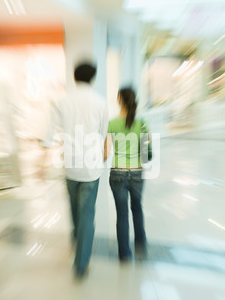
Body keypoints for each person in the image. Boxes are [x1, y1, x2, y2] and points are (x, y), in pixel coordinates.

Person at [42, 62, 108, 278]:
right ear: (93, 78)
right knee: (87, 213)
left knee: (74, 210)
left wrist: (44, 152)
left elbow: (49, 132)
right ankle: (81, 263)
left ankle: (78, 242)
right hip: (91, 167)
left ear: (74, 77)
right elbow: (102, 133)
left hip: (70, 165)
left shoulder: (62, 101)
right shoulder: (100, 102)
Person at [104, 87, 150, 262]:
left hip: (117, 174)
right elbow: (146, 155)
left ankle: (124, 254)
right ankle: (140, 247)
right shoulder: (142, 123)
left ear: (119, 99)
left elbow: (106, 153)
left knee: (122, 214)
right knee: (137, 209)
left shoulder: (112, 123)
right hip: (137, 173)